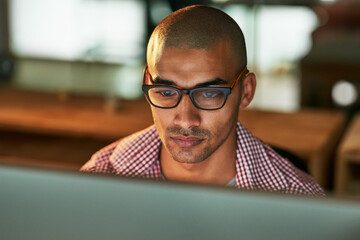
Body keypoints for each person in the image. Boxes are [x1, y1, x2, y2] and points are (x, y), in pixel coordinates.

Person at [81, 5, 324, 196]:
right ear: (147, 80)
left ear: (246, 91)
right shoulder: (98, 181)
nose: (186, 120)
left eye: (209, 93)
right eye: (166, 92)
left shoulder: (296, 200)